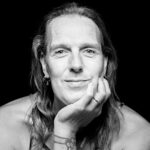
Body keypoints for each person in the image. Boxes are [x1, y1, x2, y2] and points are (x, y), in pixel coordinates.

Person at [0, 2, 150, 150]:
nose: (76, 65)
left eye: (89, 51)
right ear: (45, 65)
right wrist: (66, 128)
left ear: (104, 64)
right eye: (61, 52)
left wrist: (65, 128)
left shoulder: (138, 133)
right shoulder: (5, 123)